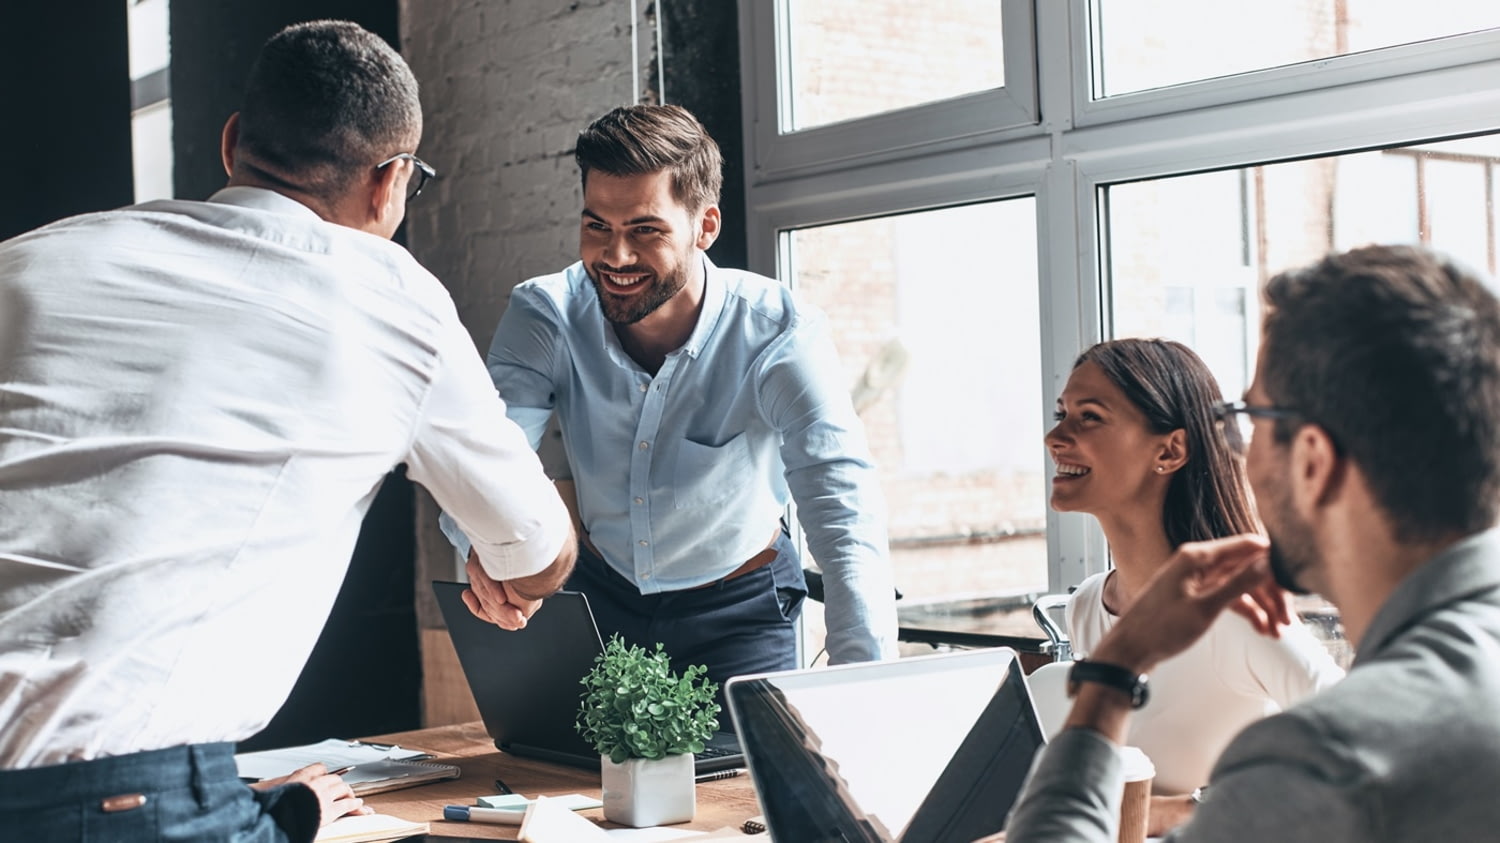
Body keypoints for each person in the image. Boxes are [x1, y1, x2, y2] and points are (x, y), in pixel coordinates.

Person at [0, 20, 575, 842]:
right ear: (390, 183)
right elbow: (535, 550)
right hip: (123, 800)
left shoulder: (26, 263)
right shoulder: (388, 297)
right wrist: (512, 563)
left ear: (233, 143)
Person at [1005, 243, 1500, 841]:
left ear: (1312, 460)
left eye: (1252, 419)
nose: (1236, 449)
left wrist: (1113, 672)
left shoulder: (1327, 758)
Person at [441, 104, 898, 697]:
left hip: (738, 611)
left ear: (704, 228)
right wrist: (486, 550)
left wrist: (866, 682)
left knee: (746, 786)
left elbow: (842, 502)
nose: (616, 257)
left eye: (645, 230)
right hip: (598, 598)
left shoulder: (779, 332)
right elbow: (482, 455)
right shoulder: (546, 313)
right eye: (597, 226)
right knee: (570, 782)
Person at [1045, 338, 1343, 831]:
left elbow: (1366, 754)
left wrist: (1170, 812)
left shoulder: (1237, 616)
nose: (1056, 436)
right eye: (1062, 413)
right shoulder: (1087, 606)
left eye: (1089, 417)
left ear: (1170, 450)